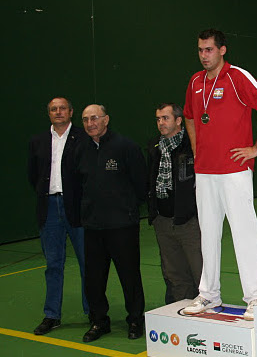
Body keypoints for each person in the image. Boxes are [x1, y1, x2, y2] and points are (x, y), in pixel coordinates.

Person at [181, 28, 257, 320]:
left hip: (235, 170)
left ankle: (256, 297)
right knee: (208, 234)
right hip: (205, 171)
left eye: (209, 50)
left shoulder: (238, 77)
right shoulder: (195, 81)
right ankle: (209, 295)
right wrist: (197, 148)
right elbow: (189, 115)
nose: (204, 56)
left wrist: (256, 148)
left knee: (244, 233)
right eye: (200, 50)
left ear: (222, 50)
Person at [78, 104, 147, 342]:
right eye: (86, 119)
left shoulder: (125, 147)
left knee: (129, 275)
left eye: (94, 118)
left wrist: (127, 210)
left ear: (106, 119)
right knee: (94, 278)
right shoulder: (81, 149)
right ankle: (99, 321)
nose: (90, 123)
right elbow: (78, 185)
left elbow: (141, 185)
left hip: (122, 226)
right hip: (93, 227)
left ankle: (136, 319)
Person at [28, 97, 89, 335]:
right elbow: (33, 175)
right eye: (53, 109)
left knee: (87, 262)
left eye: (62, 108)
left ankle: (93, 311)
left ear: (71, 112)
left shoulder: (83, 138)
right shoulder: (38, 141)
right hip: (50, 208)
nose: (58, 112)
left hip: (77, 208)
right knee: (53, 264)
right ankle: (52, 315)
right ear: (49, 114)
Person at [148, 103, 202, 304]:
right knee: (174, 274)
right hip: (163, 221)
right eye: (158, 119)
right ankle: (180, 314)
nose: (161, 123)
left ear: (179, 120)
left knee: (200, 271)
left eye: (165, 118)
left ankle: (208, 311)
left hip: (189, 221)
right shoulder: (154, 147)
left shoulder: (192, 146)